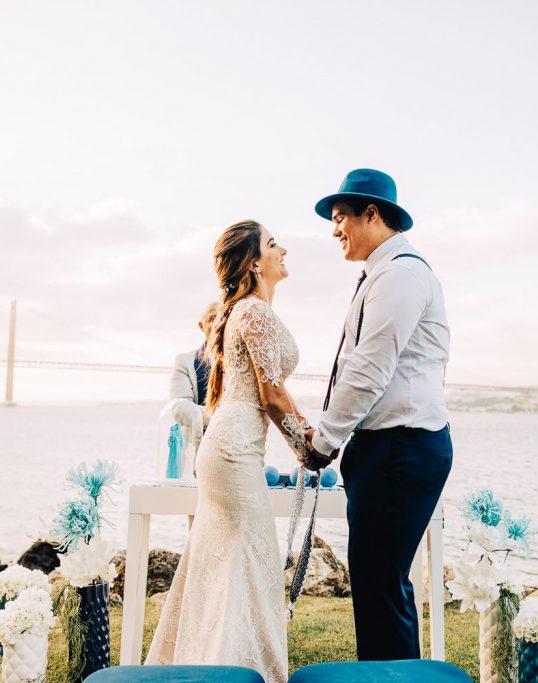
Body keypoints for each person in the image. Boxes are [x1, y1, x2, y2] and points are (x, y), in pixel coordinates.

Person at [146, 220, 324, 683]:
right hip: (234, 452)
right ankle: (247, 672)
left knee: (229, 568)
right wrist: (310, 447)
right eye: (273, 244)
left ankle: (214, 668)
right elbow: (273, 396)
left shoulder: (242, 311)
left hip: (230, 447)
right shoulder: (254, 312)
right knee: (253, 563)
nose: (283, 249)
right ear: (254, 262)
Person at [307, 168, 452, 661]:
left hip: (400, 447)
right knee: (379, 584)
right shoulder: (384, 273)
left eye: (340, 217)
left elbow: (369, 369)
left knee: (381, 586)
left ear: (372, 213)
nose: (334, 230)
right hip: (389, 447)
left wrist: (323, 441)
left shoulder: (400, 275)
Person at [168, 301, 217, 436]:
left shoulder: (243, 361)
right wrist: (226, 417)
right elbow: (180, 410)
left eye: (224, 317)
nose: (219, 322)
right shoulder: (184, 362)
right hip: (198, 446)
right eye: (213, 318)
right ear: (201, 326)